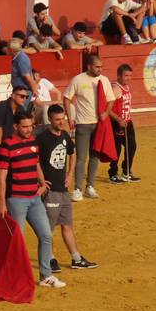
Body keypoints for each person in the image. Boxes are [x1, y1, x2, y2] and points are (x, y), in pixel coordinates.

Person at [0, 110, 64, 289]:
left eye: (30, 126)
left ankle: (45, 276)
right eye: (24, 127)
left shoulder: (33, 141)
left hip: (34, 198)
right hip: (16, 200)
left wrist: (42, 183)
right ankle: (14, 277)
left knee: (46, 235)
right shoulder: (6, 146)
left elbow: (36, 164)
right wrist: (2, 202)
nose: (28, 130)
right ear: (15, 126)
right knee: (17, 242)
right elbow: (2, 177)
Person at [38, 104, 97, 274]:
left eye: (62, 118)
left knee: (67, 225)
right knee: (47, 228)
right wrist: (41, 181)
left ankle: (76, 258)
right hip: (50, 191)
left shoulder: (64, 135)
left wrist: (70, 174)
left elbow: (73, 153)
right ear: (50, 119)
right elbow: (34, 160)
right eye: (57, 119)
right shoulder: (42, 138)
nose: (61, 122)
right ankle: (49, 258)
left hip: (63, 190)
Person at [63, 54, 113, 202]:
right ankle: (78, 188)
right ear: (89, 66)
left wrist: (106, 113)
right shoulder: (78, 79)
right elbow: (66, 98)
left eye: (101, 67)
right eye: (97, 67)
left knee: (95, 156)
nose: (100, 70)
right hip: (83, 123)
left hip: (99, 124)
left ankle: (90, 186)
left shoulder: (104, 80)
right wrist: (70, 117)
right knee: (81, 158)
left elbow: (110, 100)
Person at [107, 63, 139, 184]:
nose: (128, 78)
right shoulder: (116, 88)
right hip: (117, 122)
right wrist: (118, 119)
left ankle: (126, 172)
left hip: (127, 122)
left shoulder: (126, 87)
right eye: (126, 75)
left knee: (132, 146)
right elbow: (107, 108)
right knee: (116, 149)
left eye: (130, 76)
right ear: (119, 76)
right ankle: (113, 173)